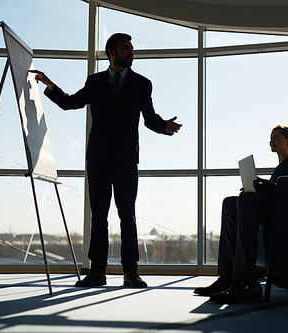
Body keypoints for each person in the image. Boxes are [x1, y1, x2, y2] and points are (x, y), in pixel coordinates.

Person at [30, 33, 182, 288]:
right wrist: (49, 85)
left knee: (127, 216)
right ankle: (97, 272)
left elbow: (149, 118)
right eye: (125, 49)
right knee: (98, 216)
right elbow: (69, 103)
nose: (130, 53)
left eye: (131, 49)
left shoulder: (142, 84)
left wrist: (164, 126)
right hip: (98, 157)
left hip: (125, 159)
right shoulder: (95, 81)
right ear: (111, 52)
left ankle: (130, 273)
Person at [194, 125, 288, 303]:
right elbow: (276, 190)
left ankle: (246, 281)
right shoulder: (281, 165)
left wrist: (265, 188)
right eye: (271, 138)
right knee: (230, 203)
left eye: (276, 138)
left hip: (280, 213)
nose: (272, 141)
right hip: (270, 207)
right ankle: (227, 276)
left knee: (245, 199)